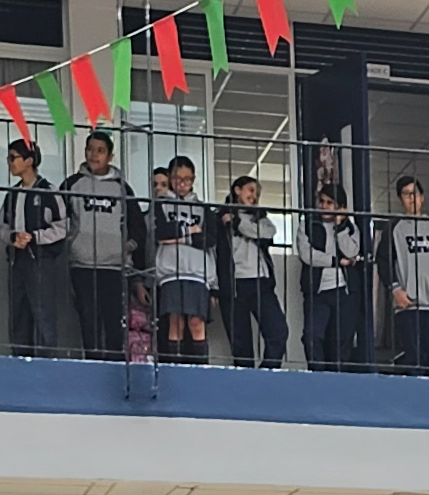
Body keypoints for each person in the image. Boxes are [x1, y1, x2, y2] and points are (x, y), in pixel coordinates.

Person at [62, 130, 139, 360]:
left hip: (114, 268)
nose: (94, 155)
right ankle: (93, 370)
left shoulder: (122, 188)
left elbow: (137, 227)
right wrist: (72, 245)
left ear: (110, 156)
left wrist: (127, 247)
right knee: (88, 322)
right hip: (82, 265)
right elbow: (57, 219)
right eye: (90, 149)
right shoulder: (71, 184)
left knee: (115, 324)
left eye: (101, 151)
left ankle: (115, 371)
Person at [0, 138, 73, 355]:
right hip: (17, 259)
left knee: (43, 313)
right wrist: (13, 237)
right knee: (18, 312)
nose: (10, 163)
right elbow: (2, 224)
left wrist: (35, 237)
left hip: (41, 260)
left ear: (29, 161)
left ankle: (45, 360)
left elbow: (62, 226)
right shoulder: (12, 194)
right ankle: (20, 358)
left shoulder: (49, 191)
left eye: (13, 158)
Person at [146, 157, 215, 365]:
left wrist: (176, 238)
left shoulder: (203, 208)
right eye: (177, 178)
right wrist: (191, 231)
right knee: (175, 322)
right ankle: (175, 368)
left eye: (187, 179)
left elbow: (209, 238)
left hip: (197, 273)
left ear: (193, 180)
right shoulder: (162, 204)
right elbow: (160, 233)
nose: (182, 183)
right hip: (170, 272)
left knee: (196, 322)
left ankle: (201, 370)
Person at [218, 174, 290, 369]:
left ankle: (266, 374)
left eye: (257, 192)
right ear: (237, 190)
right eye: (251, 190)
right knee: (241, 345)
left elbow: (269, 233)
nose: (254, 196)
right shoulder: (219, 217)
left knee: (278, 331)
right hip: (234, 285)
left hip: (261, 283)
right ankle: (247, 384)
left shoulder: (261, 217)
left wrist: (236, 223)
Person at [383, 175, 429, 375]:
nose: (411, 198)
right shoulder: (394, 228)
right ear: (400, 199)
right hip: (408, 305)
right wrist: (395, 289)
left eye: (415, 193)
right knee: (413, 358)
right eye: (406, 194)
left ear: (422, 197)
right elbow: (383, 261)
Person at [303, 179, 372, 373]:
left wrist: (340, 226)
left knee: (341, 341)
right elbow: (308, 255)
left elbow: (351, 251)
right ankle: (318, 375)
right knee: (312, 335)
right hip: (317, 292)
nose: (324, 206)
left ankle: (336, 380)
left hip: (345, 292)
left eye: (330, 203)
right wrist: (335, 261)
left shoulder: (350, 227)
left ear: (340, 207)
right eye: (322, 201)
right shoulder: (308, 225)